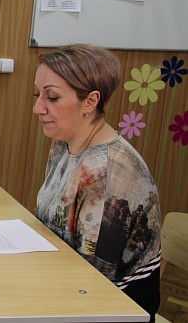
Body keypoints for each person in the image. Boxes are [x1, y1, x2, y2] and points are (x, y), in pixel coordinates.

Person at [33, 43, 161, 320]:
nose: (37, 108)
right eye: (38, 94)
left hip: (112, 309)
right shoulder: (64, 142)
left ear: (90, 102)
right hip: (61, 284)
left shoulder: (108, 172)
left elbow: (90, 287)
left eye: (52, 97)